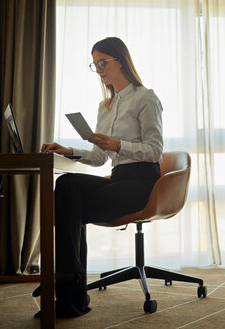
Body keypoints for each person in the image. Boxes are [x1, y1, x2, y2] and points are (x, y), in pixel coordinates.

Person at [34, 37, 163, 318]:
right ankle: (71, 290)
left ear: (121, 61)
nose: (99, 69)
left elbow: (155, 151)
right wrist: (67, 150)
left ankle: (70, 292)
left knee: (70, 207)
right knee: (66, 184)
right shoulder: (105, 106)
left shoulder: (146, 98)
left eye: (103, 62)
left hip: (142, 183)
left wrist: (118, 145)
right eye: (95, 64)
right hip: (118, 178)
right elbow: (98, 158)